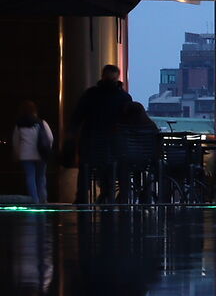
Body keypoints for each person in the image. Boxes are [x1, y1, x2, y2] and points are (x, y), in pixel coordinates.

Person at [69, 65, 134, 203]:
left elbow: (78, 115)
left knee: (85, 169)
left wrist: (72, 133)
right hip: (113, 143)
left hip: (90, 142)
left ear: (102, 76)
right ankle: (108, 195)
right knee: (110, 168)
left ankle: (82, 197)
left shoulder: (91, 94)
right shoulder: (124, 98)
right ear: (117, 78)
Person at [13, 100, 53, 203]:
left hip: (26, 155)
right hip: (41, 154)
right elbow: (50, 138)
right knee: (41, 177)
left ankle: (34, 200)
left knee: (30, 177)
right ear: (35, 111)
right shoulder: (41, 123)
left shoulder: (19, 125)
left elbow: (16, 141)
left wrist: (17, 153)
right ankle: (42, 199)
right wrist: (48, 149)